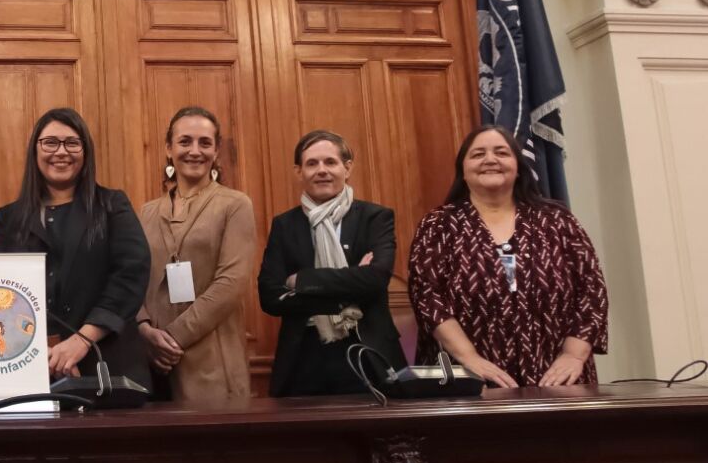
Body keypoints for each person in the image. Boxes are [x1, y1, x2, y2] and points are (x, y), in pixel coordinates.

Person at [408, 125, 608, 388]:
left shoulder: (558, 220)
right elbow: (426, 296)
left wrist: (573, 355)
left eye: (501, 152)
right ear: (463, 171)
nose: (490, 160)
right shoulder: (438, 225)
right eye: (478, 154)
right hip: (467, 379)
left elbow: (592, 291)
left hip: (557, 377)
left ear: (518, 167)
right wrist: (469, 357)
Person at [0, 108, 149, 384]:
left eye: (72, 142)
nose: (61, 151)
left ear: (85, 151)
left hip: (107, 363)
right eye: (50, 142)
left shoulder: (112, 206)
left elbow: (130, 275)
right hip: (28, 367)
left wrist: (82, 340)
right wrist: (41, 353)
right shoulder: (9, 218)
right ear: (35, 150)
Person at [258, 129, 405, 397]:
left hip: (369, 352)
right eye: (312, 163)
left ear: (347, 168)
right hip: (302, 358)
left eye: (330, 162)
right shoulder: (285, 225)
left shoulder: (375, 218)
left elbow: (376, 279)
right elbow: (269, 296)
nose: (321, 170)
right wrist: (351, 281)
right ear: (298, 172)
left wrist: (302, 281)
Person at [134, 107, 255, 404]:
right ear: (168, 148)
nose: (194, 151)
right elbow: (131, 276)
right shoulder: (146, 212)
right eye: (185, 141)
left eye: (205, 143)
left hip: (211, 361)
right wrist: (144, 330)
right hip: (150, 363)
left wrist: (171, 339)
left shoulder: (235, 205)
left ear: (216, 151)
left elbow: (232, 283)